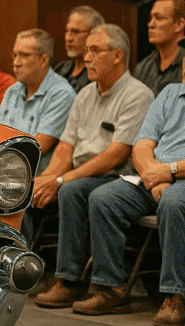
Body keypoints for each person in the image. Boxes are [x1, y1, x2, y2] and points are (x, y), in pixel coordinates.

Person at [73, 24, 185, 326]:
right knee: (103, 198)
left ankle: (174, 296)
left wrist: (170, 172)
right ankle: (112, 288)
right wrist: (153, 175)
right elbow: (143, 145)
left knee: (174, 202)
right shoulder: (171, 92)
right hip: (156, 175)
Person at [33, 24, 155, 309]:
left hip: (123, 178)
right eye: (86, 50)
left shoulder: (138, 95)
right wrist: (49, 178)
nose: (86, 57)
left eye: (95, 50)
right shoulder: (86, 94)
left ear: (117, 56)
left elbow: (116, 154)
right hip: (85, 176)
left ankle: (97, 284)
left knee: (73, 189)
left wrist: (62, 181)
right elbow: (66, 147)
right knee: (55, 187)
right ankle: (67, 281)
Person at [0, 29, 77, 242]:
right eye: (14, 55)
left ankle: (19, 260)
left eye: (24, 55)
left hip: (35, 173)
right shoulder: (13, 90)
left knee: (8, 190)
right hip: (5, 168)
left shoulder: (61, 93)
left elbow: (37, 147)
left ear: (43, 60)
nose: (16, 62)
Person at [133, 0, 185, 96]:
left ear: (179, 24)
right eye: (151, 18)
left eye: (159, 18)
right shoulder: (142, 67)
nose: (150, 24)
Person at [52, 5, 104, 94]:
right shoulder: (60, 68)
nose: (68, 38)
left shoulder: (100, 73)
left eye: (75, 32)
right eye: (66, 31)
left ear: (94, 34)